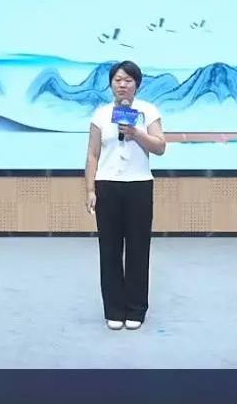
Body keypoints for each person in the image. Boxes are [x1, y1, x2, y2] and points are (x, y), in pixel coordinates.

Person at [84, 60, 166, 331]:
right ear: (111, 84)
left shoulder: (148, 112)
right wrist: (90, 189)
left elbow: (160, 147)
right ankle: (114, 309)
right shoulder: (100, 115)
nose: (122, 85)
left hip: (138, 185)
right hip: (107, 185)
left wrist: (135, 133)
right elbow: (93, 154)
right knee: (109, 249)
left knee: (138, 249)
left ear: (136, 84)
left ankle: (136, 309)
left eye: (128, 80)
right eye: (118, 80)